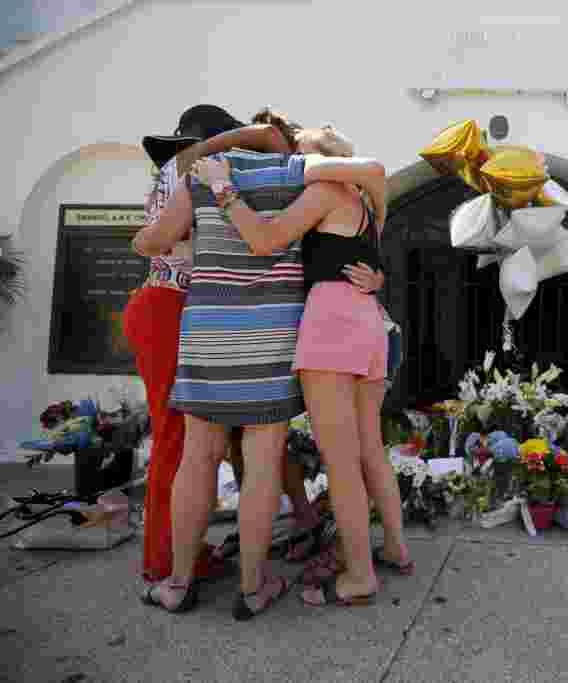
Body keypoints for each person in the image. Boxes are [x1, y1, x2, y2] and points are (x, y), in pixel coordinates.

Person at [133, 129, 389, 619]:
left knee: (197, 458)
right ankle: (252, 588)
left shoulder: (201, 176)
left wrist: (169, 238)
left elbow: (153, 241)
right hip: (272, 334)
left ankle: (178, 583)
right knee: (263, 462)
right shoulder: (298, 173)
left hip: (209, 328)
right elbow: (366, 181)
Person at [191, 124, 412, 609]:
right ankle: (395, 547)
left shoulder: (325, 190)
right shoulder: (366, 205)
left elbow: (265, 240)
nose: (290, 167)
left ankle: (359, 575)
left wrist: (223, 188)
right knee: (368, 448)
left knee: (340, 463)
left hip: (332, 323)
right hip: (368, 319)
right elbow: (359, 258)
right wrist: (378, 278)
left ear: (316, 158)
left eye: (298, 156)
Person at [125, 104, 278, 584]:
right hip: (170, 307)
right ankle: (165, 561)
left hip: (170, 307)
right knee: (176, 437)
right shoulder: (189, 172)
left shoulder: (185, 170)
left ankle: (179, 550)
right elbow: (154, 240)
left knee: (190, 439)